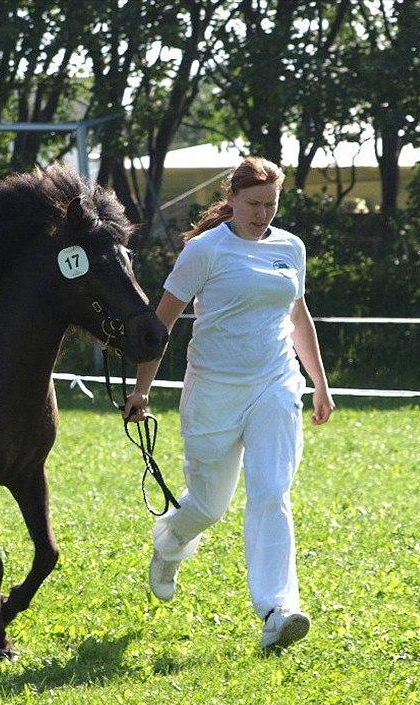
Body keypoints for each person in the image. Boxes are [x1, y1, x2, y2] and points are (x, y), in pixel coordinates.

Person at [123, 156, 335, 651]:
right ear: (233, 200)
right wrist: (142, 388)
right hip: (214, 390)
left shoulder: (290, 248)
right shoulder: (205, 250)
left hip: (275, 385)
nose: (263, 213)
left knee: (271, 492)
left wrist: (318, 382)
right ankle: (171, 540)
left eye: (271, 204)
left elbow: (298, 317)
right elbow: (163, 321)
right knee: (208, 507)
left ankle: (278, 609)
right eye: (254, 204)